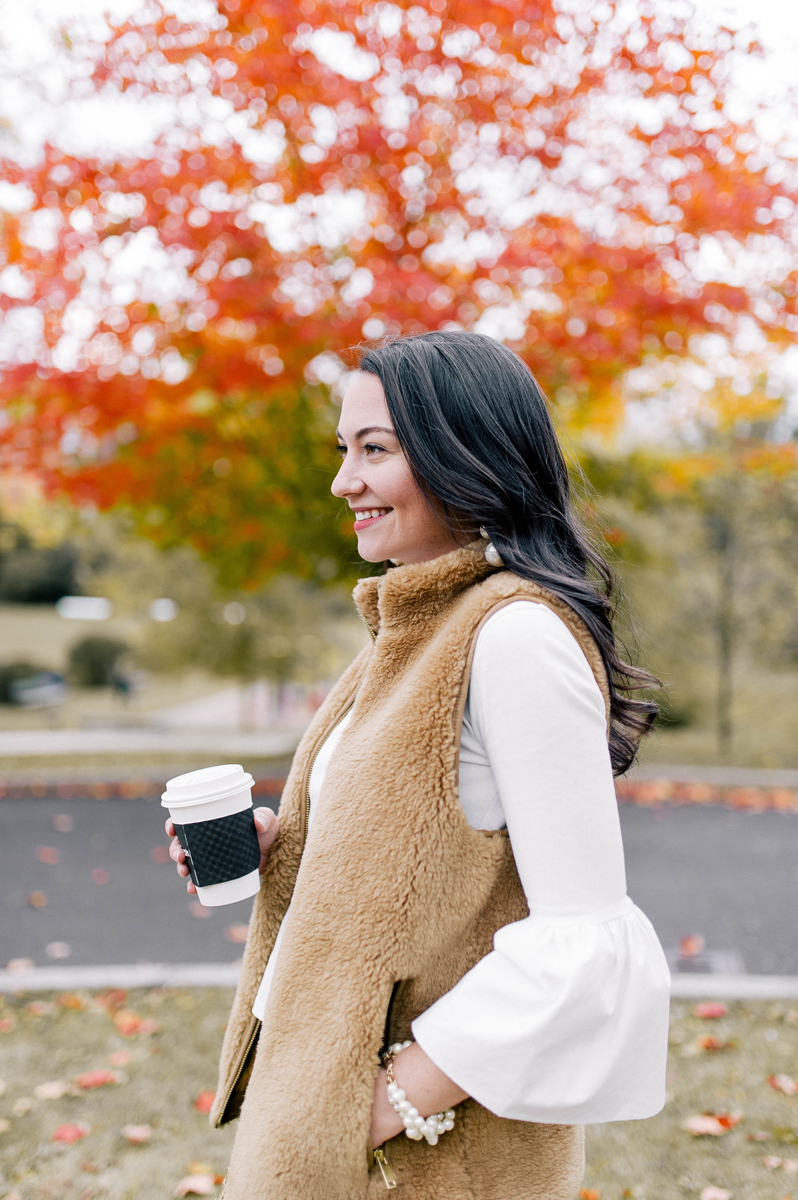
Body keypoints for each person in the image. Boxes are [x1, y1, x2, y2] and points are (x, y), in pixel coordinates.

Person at [167, 330, 670, 1200]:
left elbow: (583, 943)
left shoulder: (514, 635)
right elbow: (421, 846)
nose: (343, 482)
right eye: (343, 450)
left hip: (426, 1160)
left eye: (375, 451)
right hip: (329, 1131)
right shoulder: (413, 629)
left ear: (463, 454)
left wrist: (381, 1105)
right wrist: (287, 850)